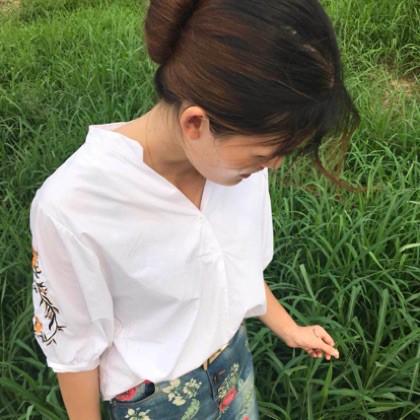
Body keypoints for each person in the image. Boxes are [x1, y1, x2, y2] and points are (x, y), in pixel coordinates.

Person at [30, 0, 361, 418]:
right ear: (195, 123)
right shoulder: (72, 208)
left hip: (234, 361)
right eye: (264, 154)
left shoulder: (237, 168)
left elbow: (234, 267)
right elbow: (74, 353)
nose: (274, 166)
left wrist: (288, 328)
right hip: (155, 400)